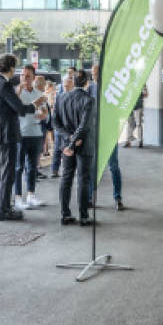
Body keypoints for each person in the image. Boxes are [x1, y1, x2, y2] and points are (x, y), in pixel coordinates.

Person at [0, 54, 45, 221]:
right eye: (15, 68)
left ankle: (2, 205)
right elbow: (19, 108)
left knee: (1, 172)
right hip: (7, 135)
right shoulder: (4, 85)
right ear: (11, 68)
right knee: (8, 173)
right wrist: (35, 104)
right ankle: (4, 210)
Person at [53, 68, 95, 226]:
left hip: (66, 145)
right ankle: (83, 216)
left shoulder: (61, 98)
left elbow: (55, 123)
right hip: (84, 145)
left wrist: (68, 139)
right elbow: (84, 126)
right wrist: (73, 141)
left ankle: (65, 214)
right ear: (87, 82)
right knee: (83, 180)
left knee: (66, 178)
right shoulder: (89, 100)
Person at [13, 65, 46, 209]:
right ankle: (18, 197)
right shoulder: (16, 92)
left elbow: (45, 113)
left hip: (36, 134)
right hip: (21, 134)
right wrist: (18, 93)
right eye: (22, 75)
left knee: (32, 167)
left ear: (33, 78)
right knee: (19, 167)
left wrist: (43, 114)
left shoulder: (39, 93)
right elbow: (15, 110)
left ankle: (31, 195)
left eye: (27, 76)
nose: (24, 78)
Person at [50, 75, 74, 178]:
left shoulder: (74, 98)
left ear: (73, 86)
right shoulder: (59, 97)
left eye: (68, 86)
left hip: (69, 129)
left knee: (68, 149)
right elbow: (55, 114)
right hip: (59, 128)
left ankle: (67, 170)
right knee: (57, 149)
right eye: (64, 86)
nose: (66, 88)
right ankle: (54, 170)